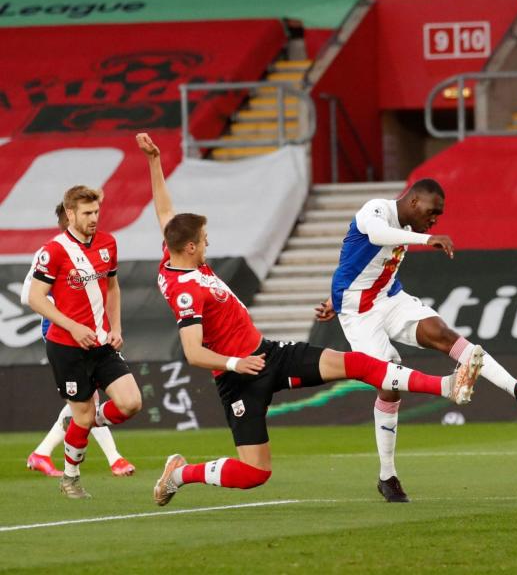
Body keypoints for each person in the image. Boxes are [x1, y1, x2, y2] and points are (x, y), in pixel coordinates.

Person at [136, 132, 483, 507]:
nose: (208, 244)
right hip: (239, 379)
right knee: (255, 474)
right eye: (204, 240)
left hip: (268, 353)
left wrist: (155, 162)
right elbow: (192, 352)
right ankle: (179, 474)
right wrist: (238, 363)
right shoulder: (184, 290)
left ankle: (447, 386)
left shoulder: (176, 251)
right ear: (189, 247)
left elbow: (166, 214)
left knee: (358, 364)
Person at [314, 178, 517, 502]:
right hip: (359, 314)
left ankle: (515, 388)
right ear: (415, 201)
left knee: (443, 334)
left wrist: (334, 299)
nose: (435, 220)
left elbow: (362, 266)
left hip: (389, 298)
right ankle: (387, 475)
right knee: (388, 381)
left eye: (438, 217)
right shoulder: (375, 210)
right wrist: (426, 237)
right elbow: (376, 236)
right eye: (433, 213)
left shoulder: (406, 224)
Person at [27, 186, 143, 499]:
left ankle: (83, 423)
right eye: (87, 213)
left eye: (96, 212)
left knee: (131, 402)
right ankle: (70, 478)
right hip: (66, 346)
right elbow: (35, 298)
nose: (94, 218)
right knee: (81, 414)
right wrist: (72, 326)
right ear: (70, 214)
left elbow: (114, 288)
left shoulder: (108, 243)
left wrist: (116, 326)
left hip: (102, 343)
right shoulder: (53, 251)